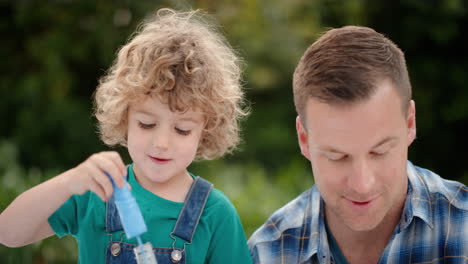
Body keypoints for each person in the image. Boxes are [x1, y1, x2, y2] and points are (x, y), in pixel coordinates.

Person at [0, 8, 252, 264]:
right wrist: (69, 183)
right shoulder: (97, 194)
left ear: (206, 130)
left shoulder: (215, 215)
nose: (161, 143)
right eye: (146, 124)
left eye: (182, 129)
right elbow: (7, 233)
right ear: (124, 118)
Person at [248, 26, 468, 264]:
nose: (362, 185)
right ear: (304, 139)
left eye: (379, 151)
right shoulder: (266, 254)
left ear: (410, 123)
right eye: (337, 156)